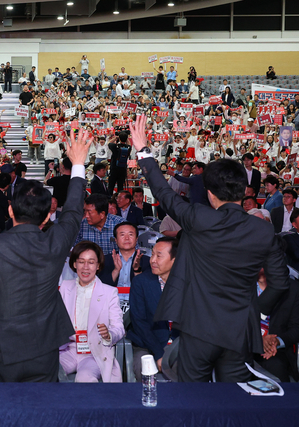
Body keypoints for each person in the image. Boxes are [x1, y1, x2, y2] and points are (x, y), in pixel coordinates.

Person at [129, 114, 288, 383]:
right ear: (244, 190)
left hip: (197, 327)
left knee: (194, 398)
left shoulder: (199, 218)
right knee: (233, 400)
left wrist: (144, 152)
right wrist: (255, 311)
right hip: (240, 331)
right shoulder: (263, 229)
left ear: (211, 194)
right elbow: (280, 283)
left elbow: (164, 194)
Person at [0, 127, 92, 382]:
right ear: (46, 218)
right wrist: (78, 165)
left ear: (10, 211)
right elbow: (74, 211)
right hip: (44, 347)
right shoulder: (54, 242)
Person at [58, 241, 124, 383]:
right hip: (67, 349)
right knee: (49, 372)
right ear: (74, 264)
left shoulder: (109, 292)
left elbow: (119, 328)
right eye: (81, 262)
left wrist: (108, 335)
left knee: (85, 379)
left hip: (93, 352)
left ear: (98, 265)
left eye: (91, 262)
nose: (86, 267)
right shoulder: (65, 287)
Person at [129, 237, 180, 381]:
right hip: (147, 344)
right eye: (152, 254)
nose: (152, 260)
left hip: (178, 344)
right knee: (144, 368)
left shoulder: (186, 284)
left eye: (159, 256)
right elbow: (139, 321)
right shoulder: (141, 282)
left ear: (175, 260)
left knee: (186, 368)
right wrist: (158, 353)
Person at [253, 270, 299, 382]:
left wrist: (276, 341)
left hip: (275, 351)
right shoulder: (241, 284)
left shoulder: (292, 289)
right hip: (244, 347)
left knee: (276, 368)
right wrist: (258, 341)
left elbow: (296, 329)